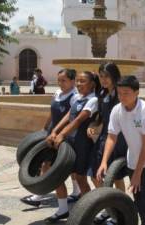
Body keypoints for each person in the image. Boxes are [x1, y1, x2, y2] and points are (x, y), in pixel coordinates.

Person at [97, 76, 145, 225]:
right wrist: (104, 162)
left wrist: (138, 174)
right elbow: (111, 137)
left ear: (137, 92)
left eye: (126, 93)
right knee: (137, 194)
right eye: (119, 93)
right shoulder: (117, 110)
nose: (122, 97)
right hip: (133, 156)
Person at [20, 69, 81, 207]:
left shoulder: (75, 97)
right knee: (46, 162)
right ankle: (39, 193)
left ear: (72, 81)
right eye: (59, 80)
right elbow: (52, 112)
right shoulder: (58, 93)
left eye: (64, 80)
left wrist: (61, 133)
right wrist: (45, 127)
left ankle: (75, 192)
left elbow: (73, 119)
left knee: (69, 167)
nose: (60, 83)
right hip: (51, 133)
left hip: (64, 135)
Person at [44, 71, 100, 223]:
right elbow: (68, 116)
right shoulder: (77, 97)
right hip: (70, 141)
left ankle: (90, 211)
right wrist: (55, 131)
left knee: (81, 178)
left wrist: (61, 135)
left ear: (93, 84)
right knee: (58, 174)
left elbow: (78, 121)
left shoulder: (93, 100)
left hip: (82, 144)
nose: (79, 84)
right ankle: (63, 210)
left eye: (83, 81)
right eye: (78, 81)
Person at [87, 63, 128, 224]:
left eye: (106, 76)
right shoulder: (102, 92)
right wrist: (93, 126)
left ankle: (120, 210)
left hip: (118, 139)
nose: (103, 80)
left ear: (114, 76)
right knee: (95, 175)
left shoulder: (120, 93)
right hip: (104, 138)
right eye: (101, 76)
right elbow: (101, 117)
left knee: (116, 177)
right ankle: (108, 208)